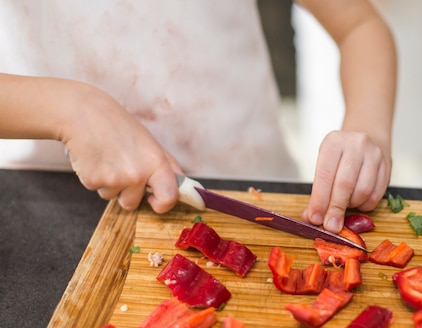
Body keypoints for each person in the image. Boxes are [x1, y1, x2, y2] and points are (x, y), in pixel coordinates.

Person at [0, 1, 396, 234]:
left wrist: (369, 129)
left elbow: (359, 26)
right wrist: (70, 111)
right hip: (55, 209)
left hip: (257, 189)